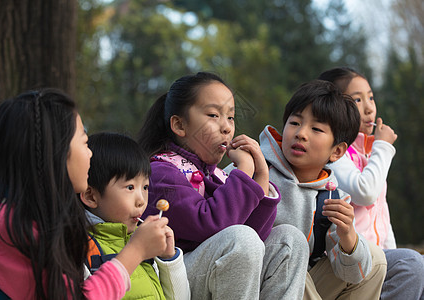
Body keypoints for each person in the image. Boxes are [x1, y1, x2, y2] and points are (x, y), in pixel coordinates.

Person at [0, 89, 172, 299]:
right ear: (57, 153)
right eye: (84, 142)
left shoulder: (37, 214)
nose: (90, 153)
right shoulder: (3, 221)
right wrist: (136, 251)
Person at [138, 72, 309, 299]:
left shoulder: (216, 174)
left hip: (211, 269)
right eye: (213, 115)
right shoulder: (162, 172)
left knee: (289, 240)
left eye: (230, 117)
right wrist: (243, 172)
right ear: (179, 125)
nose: (227, 127)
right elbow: (211, 224)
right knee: (241, 240)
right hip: (172, 279)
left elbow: (256, 234)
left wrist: (261, 175)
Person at [257, 80, 387, 299]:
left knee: (374, 260)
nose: (301, 133)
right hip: (256, 281)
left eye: (316, 129)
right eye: (295, 122)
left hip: (302, 285)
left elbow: (353, 274)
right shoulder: (255, 167)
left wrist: (347, 236)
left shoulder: (332, 197)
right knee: (291, 248)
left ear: (336, 151)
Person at [319, 67, 424, 300]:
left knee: (416, 267)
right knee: (414, 265)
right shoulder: (335, 155)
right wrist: (384, 147)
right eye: (357, 99)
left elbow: (380, 213)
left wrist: (397, 253)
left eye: (371, 97)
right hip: (350, 259)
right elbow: (364, 192)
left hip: (380, 256)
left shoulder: (367, 155)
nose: (369, 108)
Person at [79, 132, 190, 299]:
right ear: (91, 196)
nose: (141, 201)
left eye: (145, 187)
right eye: (130, 187)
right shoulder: (82, 249)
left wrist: (168, 259)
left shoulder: (144, 242)